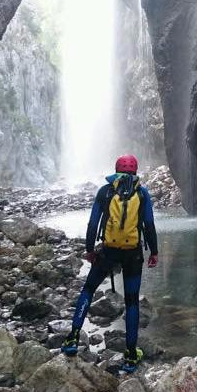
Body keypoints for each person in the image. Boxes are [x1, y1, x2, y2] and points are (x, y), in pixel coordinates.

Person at [61, 154, 158, 372]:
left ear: (116, 169)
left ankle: (73, 338)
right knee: (132, 301)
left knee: (88, 289)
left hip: (108, 252)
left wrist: (89, 250)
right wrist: (154, 252)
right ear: (135, 171)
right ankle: (131, 354)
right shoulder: (141, 193)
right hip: (133, 254)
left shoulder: (105, 191)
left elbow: (93, 223)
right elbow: (149, 225)